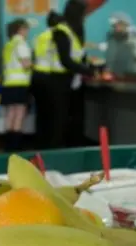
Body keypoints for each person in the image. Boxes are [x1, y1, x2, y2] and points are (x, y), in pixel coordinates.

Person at [46, 0, 95, 149]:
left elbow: (79, 54)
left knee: (73, 120)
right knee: (59, 121)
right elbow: (65, 60)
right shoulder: (62, 31)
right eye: (83, 14)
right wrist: (87, 71)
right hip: (58, 81)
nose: (85, 17)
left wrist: (89, 66)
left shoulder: (75, 30)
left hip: (72, 81)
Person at [32, 11, 62, 149]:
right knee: (53, 113)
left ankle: (40, 143)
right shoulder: (57, 36)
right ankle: (51, 145)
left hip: (37, 75)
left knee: (41, 112)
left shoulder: (40, 36)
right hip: (50, 77)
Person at [1, 19, 32, 152]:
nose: (27, 32)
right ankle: (16, 145)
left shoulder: (9, 44)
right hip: (20, 82)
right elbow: (26, 64)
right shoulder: (21, 43)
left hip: (8, 82)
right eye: (26, 29)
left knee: (10, 114)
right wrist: (34, 65)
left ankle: (8, 144)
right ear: (21, 29)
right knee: (19, 114)